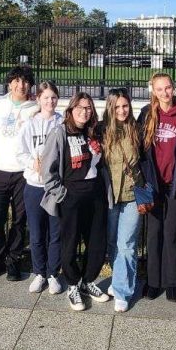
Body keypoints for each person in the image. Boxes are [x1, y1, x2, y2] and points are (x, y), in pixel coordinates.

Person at [41, 91, 109, 311]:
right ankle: (72, 283)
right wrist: (62, 195)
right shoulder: (60, 133)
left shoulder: (95, 133)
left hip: (96, 197)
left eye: (88, 107)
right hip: (71, 198)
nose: (84, 111)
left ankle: (88, 281)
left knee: (96, 242)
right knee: (69, 243)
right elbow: (48, 170)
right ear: (70, 110)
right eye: (80, 107)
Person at [0, 65, 37, 281]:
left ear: (30, 85)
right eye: (16, 80)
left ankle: (14, 259)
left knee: (19, 220)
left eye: (25, 81)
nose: (20, 85)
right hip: (0, 170)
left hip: (23, 172)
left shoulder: (35, 108)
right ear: (9, 83)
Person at [137, 73, 176, 302]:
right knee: (154, 233)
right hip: (153, 183)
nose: (165, 93)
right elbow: (135, 142)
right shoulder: (148, 113)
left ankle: (173, 281)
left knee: (172, 233)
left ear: (173, 88)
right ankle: (153, 281)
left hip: (175, 183)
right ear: (153, 91)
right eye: (160, 89)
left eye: (168, 88)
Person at [19, 80, 64, 295]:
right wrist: (32, 163)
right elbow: (21, 152)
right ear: (38, 99)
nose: (50, 101)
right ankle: (39, 273)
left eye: (53, 97)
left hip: (55, 187)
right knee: (37, 233)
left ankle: (53, 273)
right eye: (46, 97)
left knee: (55, 233)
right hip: (35, 185)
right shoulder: (30, 124)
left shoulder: (62, 123)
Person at [101, 88, 144, 312]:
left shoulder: (137, 130)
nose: (121, 110)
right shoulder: (101, 131)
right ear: (110, 107)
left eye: (125, 105)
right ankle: (118, 278)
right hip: (109, 196)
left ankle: (122, 290)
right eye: (117, 106)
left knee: (126, 245)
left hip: (131, 196)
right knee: (112, 243)